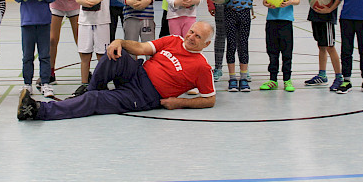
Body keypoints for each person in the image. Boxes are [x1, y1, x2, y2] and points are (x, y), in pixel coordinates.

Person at [17, 21, 216, 121]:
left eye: (198, 36)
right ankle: (91, 90)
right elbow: (140, 48)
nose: (191, 37)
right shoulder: (173, 40)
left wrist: (179, 102)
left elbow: (210, 99)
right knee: (113, 54)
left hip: (144, 95)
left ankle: (37, 111)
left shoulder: (202, 67)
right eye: (191, 31)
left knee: (94, 101)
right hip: (137, 73)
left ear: (206, 43)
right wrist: (119, 42)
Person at [14, 0, 57, 98]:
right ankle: (27, 84)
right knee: (27, 56)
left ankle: (45, 83)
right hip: (27, 22)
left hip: (44, 22)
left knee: (45, 54)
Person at [215, 0, 260, 92]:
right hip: (229, 12)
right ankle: (232, 78)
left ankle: (244, 77)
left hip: (244, 12)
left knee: (243, 44)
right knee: (231, 44)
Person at [72, 0, 113, 96]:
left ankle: (101, 83)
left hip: (102, 22)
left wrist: (95, 0)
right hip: (85, 22)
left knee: (102, 55)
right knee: (85, 54)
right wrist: (80, 0)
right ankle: (84, 83)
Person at [260, 0, 300, 92]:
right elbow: (264, 0)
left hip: (286, 21)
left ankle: (287, 80)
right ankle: (273, 79)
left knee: (286, 52)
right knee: (272, 51)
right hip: (272, 20)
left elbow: (297, 0)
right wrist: (267, 4)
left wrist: (290, 2)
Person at [305, 0, 343, 91]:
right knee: (321, 46)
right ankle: (322, 75)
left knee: (330, 46)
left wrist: (330, 9)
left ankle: (339, 77)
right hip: (316, 17)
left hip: (326, 18)